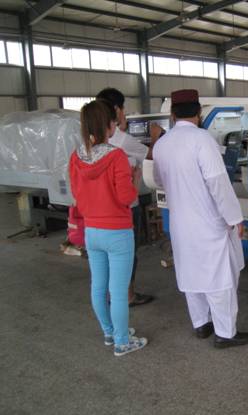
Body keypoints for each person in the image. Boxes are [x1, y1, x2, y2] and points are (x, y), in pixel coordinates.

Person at [152, 89, 248, 349]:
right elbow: (218, 183)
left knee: (190, 274)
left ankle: (201, 324)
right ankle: (225, 333)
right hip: (207, 223)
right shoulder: (202, 139)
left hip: (180, 223)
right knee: (219, 278)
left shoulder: (162, 144)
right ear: (198, 113)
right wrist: (234, 217)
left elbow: (159, 180)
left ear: (173, 114)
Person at [69, 99, 148, 356]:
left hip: (92, 231)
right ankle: (123, 342)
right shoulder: (116, 156)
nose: (116, 124)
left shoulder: (76, 157)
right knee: (118, 291)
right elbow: (126, 198)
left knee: (98, 286)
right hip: (117, 232)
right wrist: (135, 179)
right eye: (114, 121)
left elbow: (76, 194)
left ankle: (110, 332)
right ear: (108, 125)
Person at [96, 87, 157, 307]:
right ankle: (127, 295)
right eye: (123, 109)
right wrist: (156, 136)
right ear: (116, 110)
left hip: (100, 208)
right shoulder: (121, 139)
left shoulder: (92, 138)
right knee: (128, 252)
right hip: (125, 207)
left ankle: (108, 294)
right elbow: (151, 154)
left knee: (107, 255)